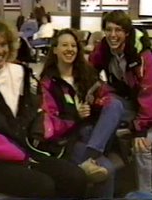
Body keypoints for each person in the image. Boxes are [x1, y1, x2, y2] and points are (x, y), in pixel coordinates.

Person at [0, 19, 87, 198]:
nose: (0, 51)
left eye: (3, 44)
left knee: (75, 177)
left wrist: (42, 135)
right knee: (43, 186)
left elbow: (38, 110)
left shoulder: (22, 73)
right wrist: (18, 155)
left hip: (26, 149)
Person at [89, 10, 152, 193]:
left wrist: (140, 127)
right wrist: (98, 91)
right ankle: (93, 160)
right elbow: (89, 70)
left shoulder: (143, 56)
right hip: (128, 104)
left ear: (127, 33)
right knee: (111, 104)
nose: (113, 35)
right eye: (109, 30)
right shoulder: (104, 49)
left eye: (118, 30)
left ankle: (145, 193)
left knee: (142, 145)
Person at [39, 28, 122, 198]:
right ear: (55, 49)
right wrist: (75, 115)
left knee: (116, 104)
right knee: (107, 169)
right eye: (64, 45)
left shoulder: (87, 74)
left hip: (94, 135)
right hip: (70, 139)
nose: (70, 49)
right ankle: (92, 157)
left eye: (73, 45)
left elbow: (106, 95)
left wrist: (97, 103)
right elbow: (50, 123)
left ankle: (92, 154)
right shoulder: (48, 83)